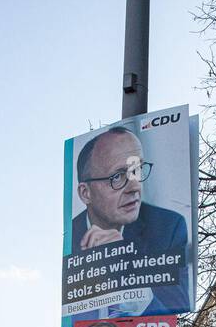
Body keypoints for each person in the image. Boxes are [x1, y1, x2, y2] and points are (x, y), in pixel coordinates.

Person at [71, 126, 190, 316]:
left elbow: (178, 306)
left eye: (137, 170)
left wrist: (124, 269)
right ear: (86, 193)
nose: (134, 186)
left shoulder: (168, 228)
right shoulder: (71, 241)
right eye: (117, 176)